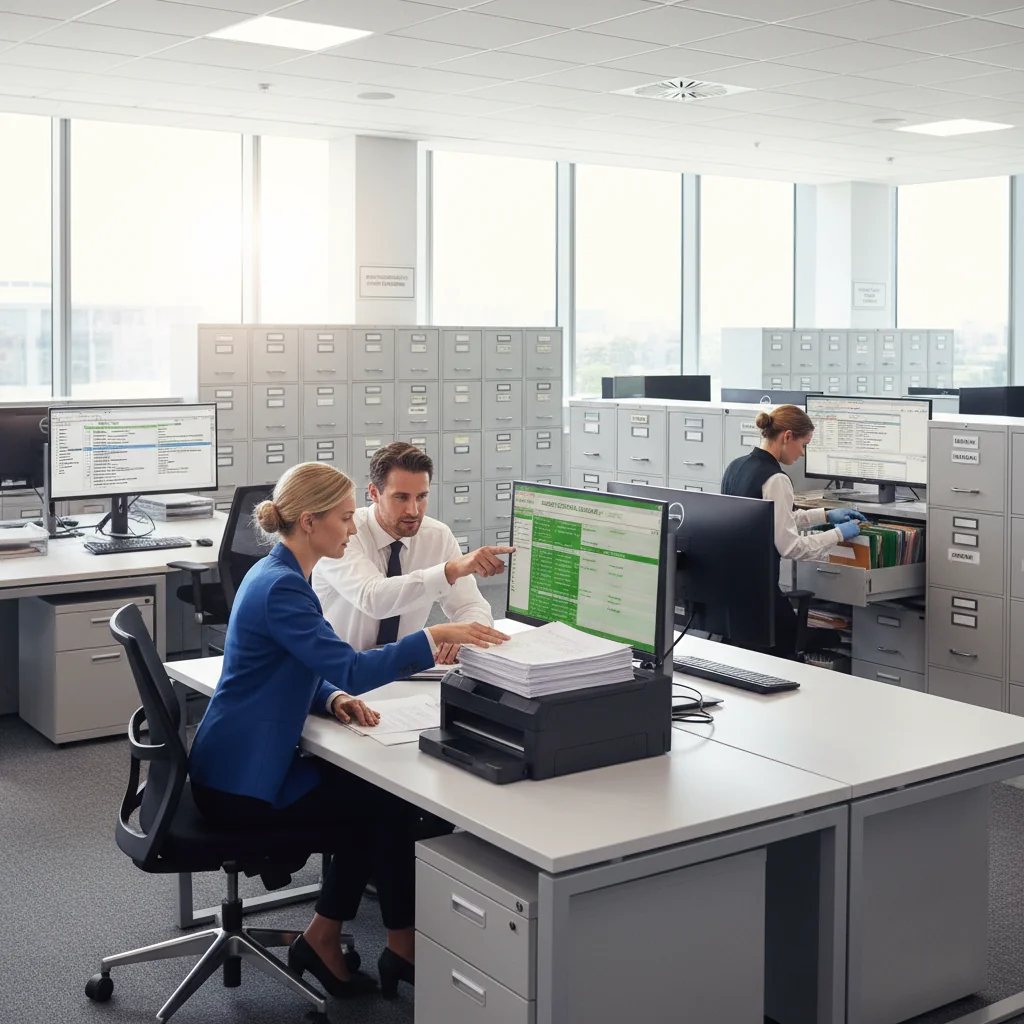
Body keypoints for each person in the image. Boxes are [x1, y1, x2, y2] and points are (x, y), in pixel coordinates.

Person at [187, 461, 509, 1000]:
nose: (353, 527)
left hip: (231, 760)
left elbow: (298, 665)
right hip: (240, 786)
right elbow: (352, 666)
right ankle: (368, 944)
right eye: (343, 518)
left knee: (377, 797)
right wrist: (430, 637)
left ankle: (345, 939)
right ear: (309, 522)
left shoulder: (277, 574)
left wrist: (331, 698)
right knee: (385, 805)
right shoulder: (284, 588)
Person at [312, 442, 513, 665]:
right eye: (401, 497)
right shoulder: (343, 533)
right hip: (338, 674)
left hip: (402, 669)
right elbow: (373, 597)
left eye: (421, 497)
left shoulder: (437, 536)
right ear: (374, 493)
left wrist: (462, 639)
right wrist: (450, 571)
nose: (413, 511)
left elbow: (471, 606)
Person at [720, 404, 866, 659]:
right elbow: (790, 547)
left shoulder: (736, 467)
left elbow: (774, 519)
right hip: (761, 599)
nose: (802, 453)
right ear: (787, 436)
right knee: (823, 638)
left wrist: (825, 515)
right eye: (803, 445)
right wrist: (839, 534)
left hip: (733, 597)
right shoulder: (776, 479)